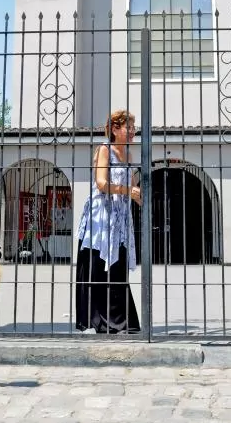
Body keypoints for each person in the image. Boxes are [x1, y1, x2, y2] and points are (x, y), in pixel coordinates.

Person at [75, 109, 142, 334]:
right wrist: (127, 190)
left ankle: (121, 322)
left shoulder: (129, 155)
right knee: (99, 270)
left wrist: (141, 197)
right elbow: (101, 183)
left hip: (120, 220)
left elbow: (134, 187)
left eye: (134, 128)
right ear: (115, 128)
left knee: (118, 269)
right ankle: (100, 322)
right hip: (101, 219)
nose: (133, 131)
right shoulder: (105, 150)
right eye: (129, 127)